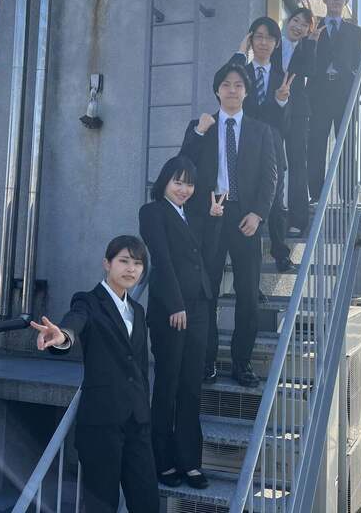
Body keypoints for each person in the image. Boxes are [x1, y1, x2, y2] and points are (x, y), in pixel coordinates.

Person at [30, 236, 158, 513]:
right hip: (102, 423)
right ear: (107, 264)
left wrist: (144, 414)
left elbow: (137, 366)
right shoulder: (88, 301)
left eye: (138, 264)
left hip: (137, 422)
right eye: (124, 261)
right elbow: (75, 323)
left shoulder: (137, 310)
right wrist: (62, 336)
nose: (131, 269)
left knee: (147, 501)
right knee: (101, 504)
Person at [180, 63, 277, 387]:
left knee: (248, 293)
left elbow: (270, 178)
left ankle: (241, 363)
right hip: (210, 214)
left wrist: (258, 214)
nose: (232, 90)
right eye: (226, 84)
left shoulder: (261, 131)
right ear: (217, 90)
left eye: (238, 85)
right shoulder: (201, 126)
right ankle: (206, 361)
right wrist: (198, 133)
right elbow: (183, 166)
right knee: (206, 292)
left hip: (245, 217)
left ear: (246, 92)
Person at [139, 155, 212, 490]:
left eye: (189, 184)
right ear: (165, 181)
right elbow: (162, 259)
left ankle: (190, 462)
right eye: (178, 182)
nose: (184, 189)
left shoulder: (191, 214)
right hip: (171, 309)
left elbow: (202, 253)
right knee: (168, 385)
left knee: (191, 386)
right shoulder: (152, 211)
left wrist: (216, 218)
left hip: (199, 307)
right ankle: (163, 461)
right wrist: (175, 303)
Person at [227, 17, 296, 272]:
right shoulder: (240, 72)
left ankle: (281, 253)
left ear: (277, 43)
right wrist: (239, 52)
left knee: (276, 202)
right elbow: (222, 86)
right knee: (244, 201)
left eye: (269, 37)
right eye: (258, 36)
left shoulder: (282, 77)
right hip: (243, 145)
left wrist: (280, 101)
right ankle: (244, 259)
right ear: (251, 40)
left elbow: (286, 125)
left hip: (273, 147)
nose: (263, 42)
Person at [308, 0, 361, 202]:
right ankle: (316, 195)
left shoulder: (355, 31)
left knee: (346, 145)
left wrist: (356, 91)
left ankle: (348, 196)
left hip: (344, 93)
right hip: (318, 92)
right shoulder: (314, 26)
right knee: (316, 143)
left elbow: (359, 63)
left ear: (345, 1)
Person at [272, 8, 324, 235]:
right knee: (272, 162)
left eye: (304, 25)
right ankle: (272, 213)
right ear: (288, 21)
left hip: (299, 111)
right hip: (274, 108)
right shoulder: (274, 44)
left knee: (297, 163)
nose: (298, 26)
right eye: (296, 21)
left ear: (308, 30)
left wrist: (312, 43)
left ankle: (298, 221)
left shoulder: (305, 48)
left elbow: (310, 71)